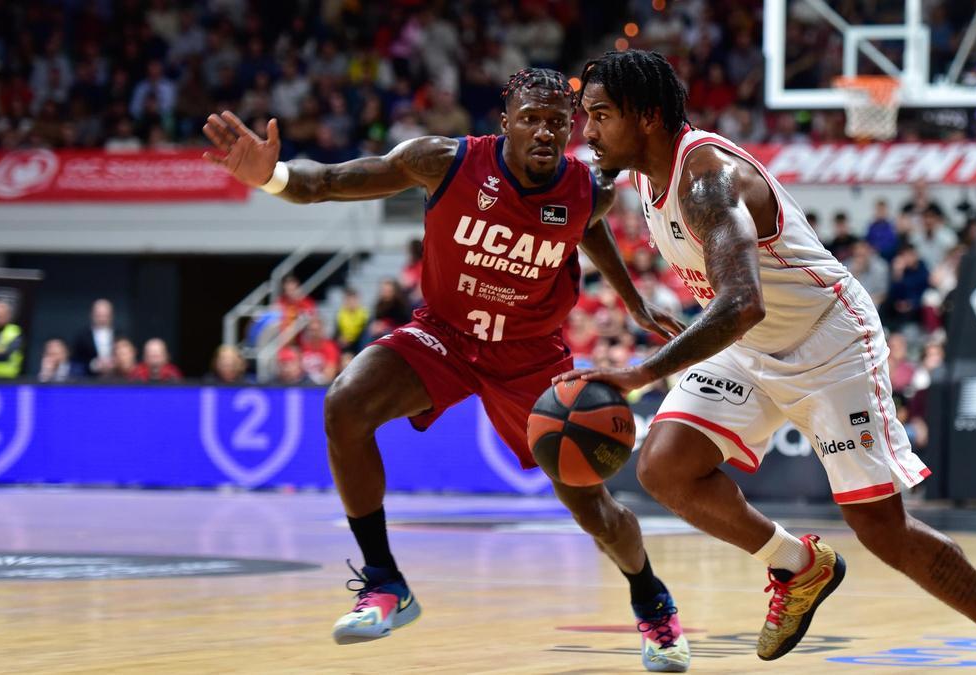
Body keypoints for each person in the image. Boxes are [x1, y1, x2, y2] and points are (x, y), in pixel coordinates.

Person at [565, 49, 976, 675]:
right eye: (587, 116)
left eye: (601, 115)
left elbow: (741, 303)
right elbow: (578, 212)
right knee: (663, 467)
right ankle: (798, 565)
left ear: (650, 117)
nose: (589, 130)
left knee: (881, 528)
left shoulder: (709, 179)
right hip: (748, 349)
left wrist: (640, 372)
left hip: (829, 345)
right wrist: (632, 301)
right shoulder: (638, 170)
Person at [203, 67, 692, 672]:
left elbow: (586, 228)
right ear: (505, 122)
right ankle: (385, 584)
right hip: (445, 334)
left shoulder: (590, 188)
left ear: (570, 129)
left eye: (557, 123)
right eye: (532, 120)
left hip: (529, 355)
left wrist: (632, 298)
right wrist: (272, 177)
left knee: (593, 509)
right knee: (344, 403)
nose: (545, 132)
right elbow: (326, 182)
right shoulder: (441, 161)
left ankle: (652, 601)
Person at [71, 298, 117, 377]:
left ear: (111, 315)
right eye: (99, 315)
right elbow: (75, 362)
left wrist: (115, 363)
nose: (102, 319)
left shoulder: (120, 335)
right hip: (90, 382)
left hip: (118, 381)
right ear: (92, 315)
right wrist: (93, 365)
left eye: (105, 315)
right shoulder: (82, 337)